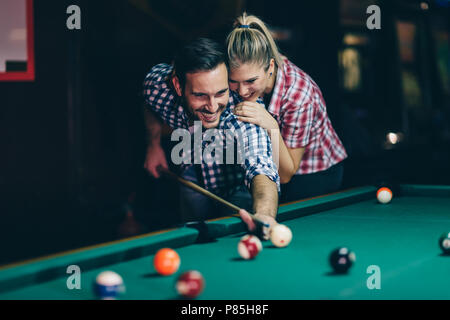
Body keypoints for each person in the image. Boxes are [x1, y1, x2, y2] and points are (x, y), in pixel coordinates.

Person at [142, 37, 279, 237]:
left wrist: (265, 215)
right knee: (194, 238)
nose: (213, 107)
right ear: (178, 86)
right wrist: (153, 145)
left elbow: (261, 167)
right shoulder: (157, 85)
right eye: (200, 95)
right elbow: (148, 101)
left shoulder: (242, 111)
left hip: (237, 186)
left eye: (220, 93)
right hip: (192, 175)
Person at [226, 13, 348, 203]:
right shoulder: (255, 64)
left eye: (251, 81)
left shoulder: (300, 95)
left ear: (270, 68)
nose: (241, 91)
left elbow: (285, 174)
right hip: (274, 166)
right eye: (234, 81)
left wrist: (271, 125)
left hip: (314, 172)